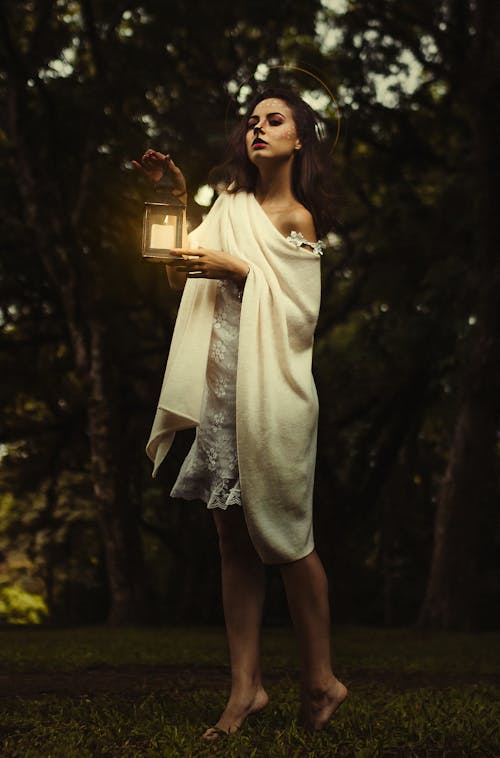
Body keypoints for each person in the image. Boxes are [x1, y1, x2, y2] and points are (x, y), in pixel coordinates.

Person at [134, 87, 347, 740]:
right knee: (231, 540)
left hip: (274, 396)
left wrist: (241, 269)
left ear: (299, 139)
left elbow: (300, 319)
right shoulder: (229, 205)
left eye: (274, 120)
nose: (258, 128)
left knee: (287, 538)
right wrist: (172, 200)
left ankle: (320, 679)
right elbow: (178, 274)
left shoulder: (298, 220)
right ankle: (245, 689)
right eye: (252, 121)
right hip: (222, 391)